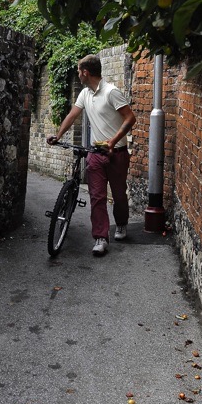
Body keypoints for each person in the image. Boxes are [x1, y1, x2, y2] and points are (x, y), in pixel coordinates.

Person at [46, 54, 136, 256]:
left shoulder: (111, 92)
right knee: (97, 197)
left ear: (85, 72)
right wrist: (58, 135)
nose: (78, 75)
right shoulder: (84, 94)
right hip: (95, 153)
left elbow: (130, 118)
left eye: (79, 72)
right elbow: (72, 115)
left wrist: (113, 141)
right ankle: (100, 237)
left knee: (119, 195)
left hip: (117, 153)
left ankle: (121, 224)